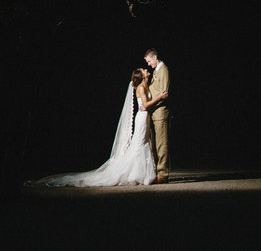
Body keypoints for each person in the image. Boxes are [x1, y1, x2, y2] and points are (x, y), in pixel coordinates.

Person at [25, 68, 167, 188]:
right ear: (141, 76)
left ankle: (141, 173)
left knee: (142, 143)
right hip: (142, 118)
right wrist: (160, 97)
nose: (146, 70)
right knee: (139, 145)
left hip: (145, 118)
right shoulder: (141, 87)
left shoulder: (145, 85)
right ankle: (136, 174)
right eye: (144, 70)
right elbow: (146, 105)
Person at [144, 48, 171, 183]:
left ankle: (163, 174)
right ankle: (157, 172)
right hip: (154, 111)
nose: (148, 64)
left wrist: (150, 104)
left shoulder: (163, 70)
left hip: (160, 111)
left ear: (155, 57)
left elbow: (164, 93)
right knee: (155, 144)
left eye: (149, 61)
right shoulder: (156, 71)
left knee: (161, 143)